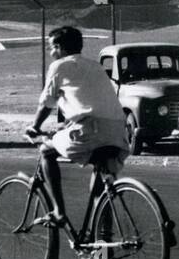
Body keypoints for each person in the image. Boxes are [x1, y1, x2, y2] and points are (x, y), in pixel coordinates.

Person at [24, 25, 131, 226]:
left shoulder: (59, 66)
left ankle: (58, 212)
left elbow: (47, 102)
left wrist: (34, 126)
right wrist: (67, 124)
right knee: (102, 185)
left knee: (46, 151)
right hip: (118, 131)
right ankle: (103, 243)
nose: (50, 53)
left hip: (90, 131)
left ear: (59, 48)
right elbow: (90, 102)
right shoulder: (95, 66)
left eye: (51, 48)